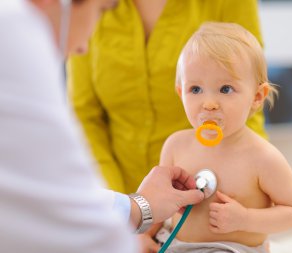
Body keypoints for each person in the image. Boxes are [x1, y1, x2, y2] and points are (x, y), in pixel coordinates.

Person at [0, 0, 204, 252]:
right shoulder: (15, 36)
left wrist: (140, 207)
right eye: (100, 11)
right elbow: (64, 212)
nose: (84, 47)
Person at [66, 0, 268, 194]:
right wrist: (119, 204)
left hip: (206, 195)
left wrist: (245, 187)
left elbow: (247, 92)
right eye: (195, 89)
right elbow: (84, 114)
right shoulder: (88, 5)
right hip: (116, 197)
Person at [143, 22, 292, 252]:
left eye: (226, 89)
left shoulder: (262, 157)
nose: (209, 104)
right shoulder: (175, 145)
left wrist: (246, 219)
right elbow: (160, 203)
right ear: (181, 92)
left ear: (257, 96)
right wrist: (146, 235)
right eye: (196, 90)